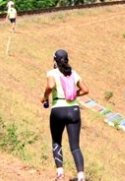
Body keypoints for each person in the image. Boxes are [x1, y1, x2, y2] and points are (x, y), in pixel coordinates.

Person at [41, 50, 89, 181]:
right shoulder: (73, 73)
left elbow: (50, 85)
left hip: (58, 110)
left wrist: (45, 97)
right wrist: (73, 94)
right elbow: (85, 90)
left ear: (55, 60)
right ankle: (81, 177)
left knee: (57, 141)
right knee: (75, 146)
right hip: (74, 110)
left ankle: (60, 174)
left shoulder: (52, 73)